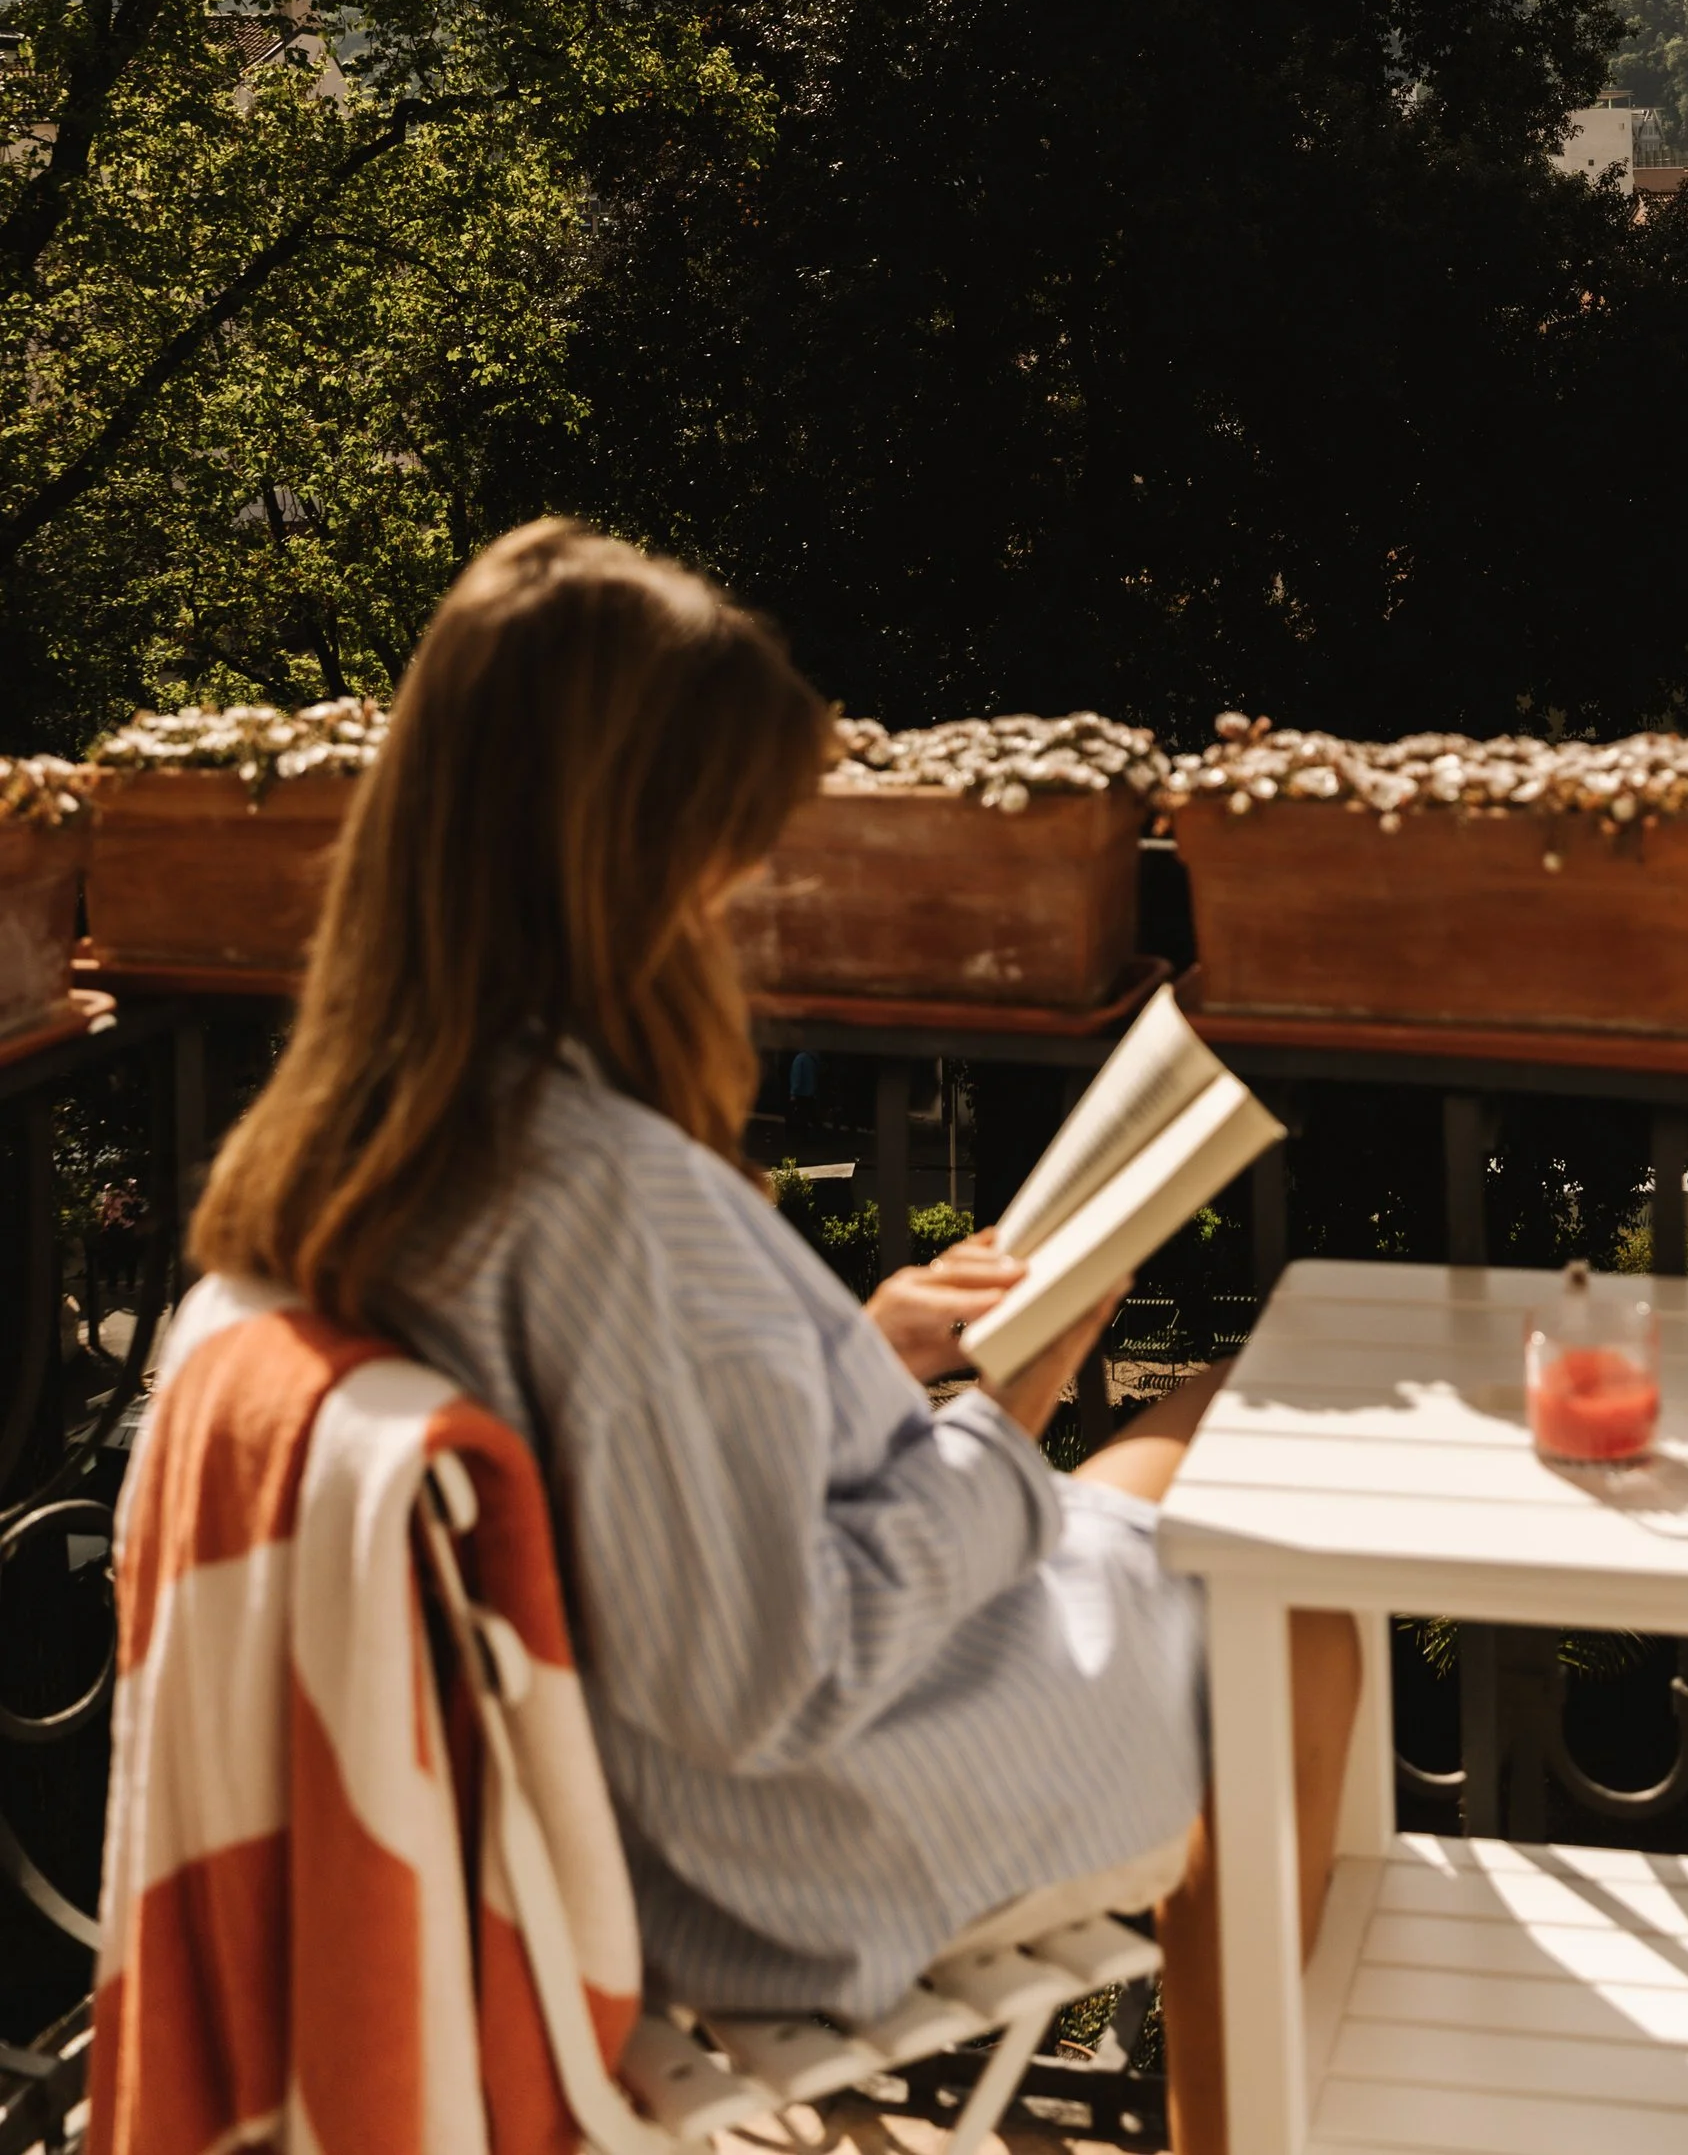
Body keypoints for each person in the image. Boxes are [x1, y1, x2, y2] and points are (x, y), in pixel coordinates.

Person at [191, 518, 1352, 2154]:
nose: (750, 883)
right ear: (626, 852)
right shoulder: (611, 1199)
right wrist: (1007, 1411)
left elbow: (644, 1484)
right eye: (732, 839)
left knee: (1208, 1418)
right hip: (786, 1848)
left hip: (676, 1780)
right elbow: (763, 1671)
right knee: (1293, 1593)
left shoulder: (376, 1150)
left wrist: (868, 1350)